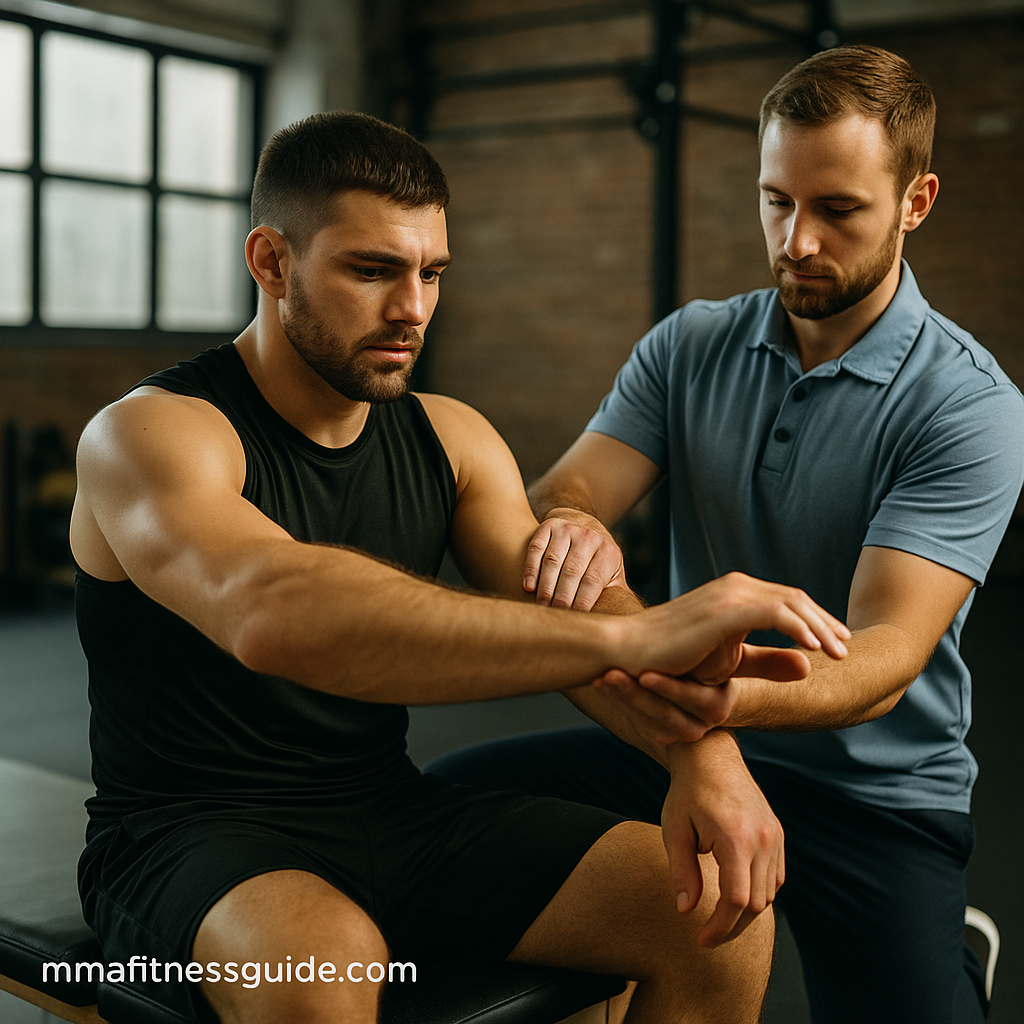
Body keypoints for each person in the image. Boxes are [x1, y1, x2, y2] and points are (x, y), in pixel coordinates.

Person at [69, 111, 851, 1024]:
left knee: (717, 914)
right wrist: (644, 632)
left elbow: (573, 601)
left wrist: (708, 760)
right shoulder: (153, 432)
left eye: (431, 273)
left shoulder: (452, 436)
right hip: (185, 833)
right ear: (272, 262)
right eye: (372, 271)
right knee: (322, 971)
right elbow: (273, 612)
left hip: (387, 810)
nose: (413, 309)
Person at [427, 45, 1024, 1023]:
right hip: (684, 743)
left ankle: (949, 953)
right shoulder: (689, 345)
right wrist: (573, 523)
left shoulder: (968, 406)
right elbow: (561, 493)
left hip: (874, 793)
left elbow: (878, 657)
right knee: (439, 812)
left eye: (837, 210)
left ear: (915, 201)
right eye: (775, 199)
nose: (794, 241)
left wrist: (691, 692)